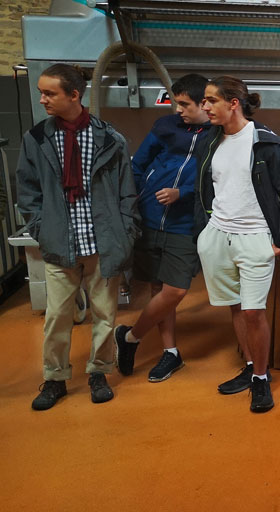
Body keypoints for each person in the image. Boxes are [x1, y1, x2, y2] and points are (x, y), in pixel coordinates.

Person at [19, 63, 140, 410]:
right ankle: (55, 378)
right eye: (41, 93)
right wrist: (41, 229)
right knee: (57, 316)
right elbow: (28, 192)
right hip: (60, 244)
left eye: (49, 93)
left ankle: (99, 373)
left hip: (103, 243)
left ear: (74, 95)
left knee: (104, 315)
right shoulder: (37, 139)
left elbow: (127, 193)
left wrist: (125, 233)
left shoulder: (109, 139)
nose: (42, 99)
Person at [194, 76, 280, 413]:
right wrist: (205, 233)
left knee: (254, 312)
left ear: (233, 104)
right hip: (218, 236)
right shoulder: (209, 142)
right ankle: (250, 366)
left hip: (254, 237)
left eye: (211, 100)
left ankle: (260, 378)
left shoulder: (265, 142)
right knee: (235, 307)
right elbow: (206, 188)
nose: (204, 106)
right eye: (204, 100)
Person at [113, 73, 211, 383]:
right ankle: (171, 352)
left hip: (185, 223)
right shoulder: (165, 126)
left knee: (175, 290)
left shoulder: (218, 135)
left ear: (204, 104)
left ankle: (130, 337)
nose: (178, 110)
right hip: (151, 218)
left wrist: (183, 193)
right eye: (176, 103)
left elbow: (215, 181)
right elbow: (138, 165)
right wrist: (138, 202)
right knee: (158, 287)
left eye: (184, 104)